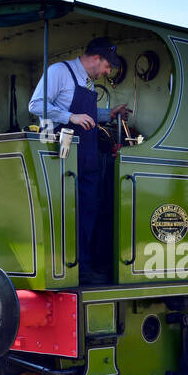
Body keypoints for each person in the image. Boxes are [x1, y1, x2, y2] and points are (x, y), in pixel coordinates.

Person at [27, 38, 130, 285]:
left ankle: (82, 267)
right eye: (107, 66)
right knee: (68, 211)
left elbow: (88, 118)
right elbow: (35, 105)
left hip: (88, 156)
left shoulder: (87, 82)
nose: (107, 72)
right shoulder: (59, 72)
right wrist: (69, 116)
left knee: (88, 210)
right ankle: (67, 268)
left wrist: (109, 114)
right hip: (64, 156)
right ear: (96, 58)